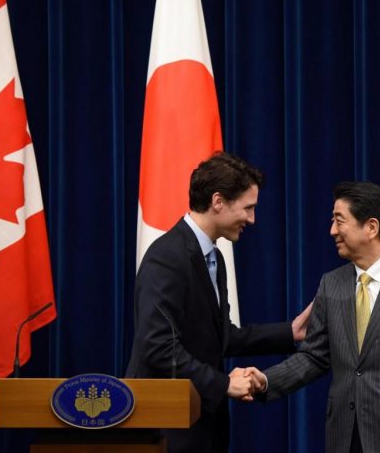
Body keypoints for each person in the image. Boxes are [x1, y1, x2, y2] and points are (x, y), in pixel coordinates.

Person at [243, 181, 380, 453]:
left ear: (371, 227)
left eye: (339, 220)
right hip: (344, 437)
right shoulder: (331, 284)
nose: (332, 230)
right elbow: (314, 357)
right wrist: (265, 380)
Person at [126, 152, 312, 453]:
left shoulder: (214, 258)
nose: (252, 219)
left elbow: (221, 337)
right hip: (166, 423)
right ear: (218, 201)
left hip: (200, 422)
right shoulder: (168, 257)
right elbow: (158, 346)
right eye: (248, 208)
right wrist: (223, 384)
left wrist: (290, 332)